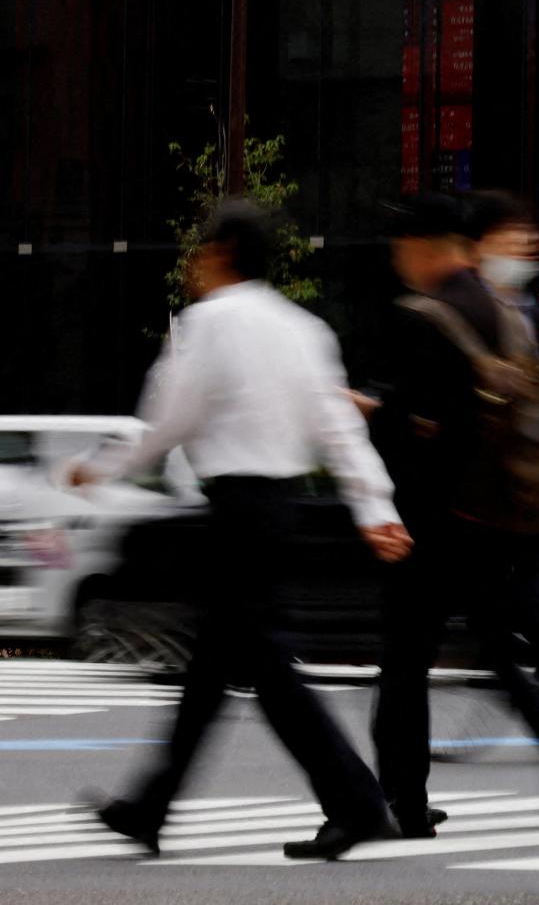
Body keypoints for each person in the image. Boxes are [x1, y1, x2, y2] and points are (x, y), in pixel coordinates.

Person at [72, 200, 411, 861]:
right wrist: (377, 509)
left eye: (199, 254)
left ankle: (359, 802)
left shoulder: (209, 324)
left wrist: (101, 466)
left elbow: (170, 419)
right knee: (211, 668)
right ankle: (151, 807)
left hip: (236, 510)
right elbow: (339, 431)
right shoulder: (305, 329)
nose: (194, 269)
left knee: (266, 669)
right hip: (280, 509)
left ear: (221, 252)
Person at [360, 193, 539, 840]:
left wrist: (376, 417)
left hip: (432, 524)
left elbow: (420, 428)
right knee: (505, 659)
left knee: (403, 665)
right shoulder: (506, 315)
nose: (401, 266)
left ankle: (406, 802)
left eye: (401, 253)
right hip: (503, 517)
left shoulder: (422, 316)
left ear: (422, 248)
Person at [466, 190, 539, 344]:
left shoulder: (534, 306)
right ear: (477, 246)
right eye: (509, 231)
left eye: (527, 230)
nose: (526, 239)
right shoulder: (467, 308)